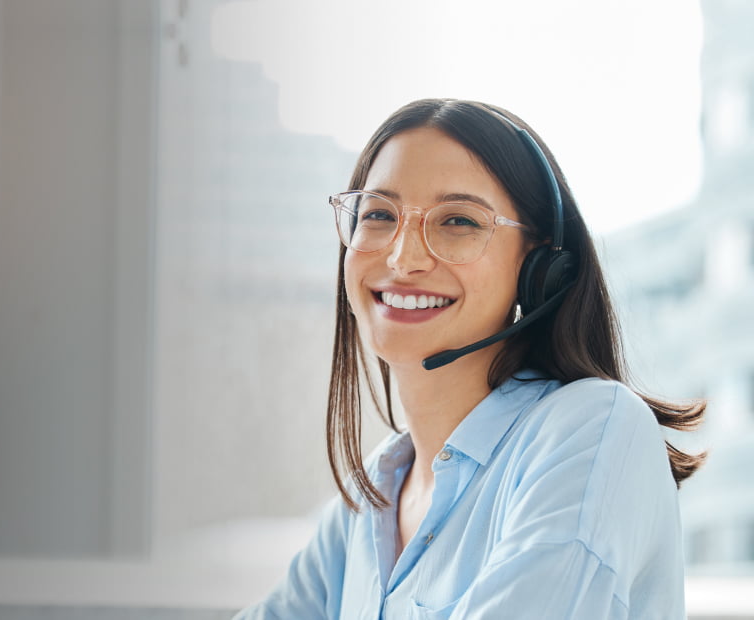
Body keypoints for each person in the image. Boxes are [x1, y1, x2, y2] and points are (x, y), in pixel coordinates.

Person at [235, 99, 705, 619]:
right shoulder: (367, 501)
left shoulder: (593, 430)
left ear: (539, 266)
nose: (403, 258)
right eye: (378, 215)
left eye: (457, 221)